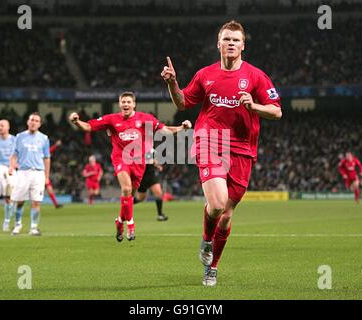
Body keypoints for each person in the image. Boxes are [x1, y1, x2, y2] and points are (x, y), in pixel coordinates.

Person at [161, 20, 282, 286]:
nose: (230, 43)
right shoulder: (205, 75)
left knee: (226, 215)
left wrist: (254, 107)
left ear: (243, 46)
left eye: (235, 40)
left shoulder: (256, 76)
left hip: (242, 149)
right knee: (216, 205)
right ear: (218, 43)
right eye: (226, 39)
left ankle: (212, 266)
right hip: (210, 140)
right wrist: (173, 84)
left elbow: (276, 110)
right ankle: (206, 239)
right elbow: (182, 103)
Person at [69, 91, 191, 242]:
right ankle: (131, 224)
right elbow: (88, 127)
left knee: (130, 196)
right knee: (126, 189)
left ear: (134, 104)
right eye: (123, 102)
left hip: (139, 163)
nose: (126, 104)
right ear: (119, 104)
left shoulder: (145, 119)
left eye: (128, 102)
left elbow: (165, 130)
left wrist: (181, 128)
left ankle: (120, 221)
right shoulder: (111, 119)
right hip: (121, 159)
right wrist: (76, 122)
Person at [9, 112, 51, 236]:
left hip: (38, 173)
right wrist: (12, 166)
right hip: (23, 172)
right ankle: (17, 225)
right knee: (20, 201)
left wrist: (47, 176)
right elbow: (14, 154)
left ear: (40, 124)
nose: (33, 122)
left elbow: (47, 158)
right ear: (28, 122)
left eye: (36, 121)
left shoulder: (44, 138)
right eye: (32, 120)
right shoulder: (19, 136)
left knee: (36, 201)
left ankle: (33, 227)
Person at [133, 148, 168, 221]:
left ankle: (160, 215)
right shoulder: (137, 148)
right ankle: (126, 205)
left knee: (158, 193)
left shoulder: (151, 149)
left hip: (152, 175)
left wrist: (157, 165)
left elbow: (154, 159)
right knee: (141, 198)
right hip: (141, 175)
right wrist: (153, 161)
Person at [47, 139, 63, 209]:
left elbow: (50, 151)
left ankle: (56, 204)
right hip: (37, 174)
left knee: (49, 188)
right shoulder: (40, 153)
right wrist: (56, 145)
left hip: (43, 175)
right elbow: (49, 150)